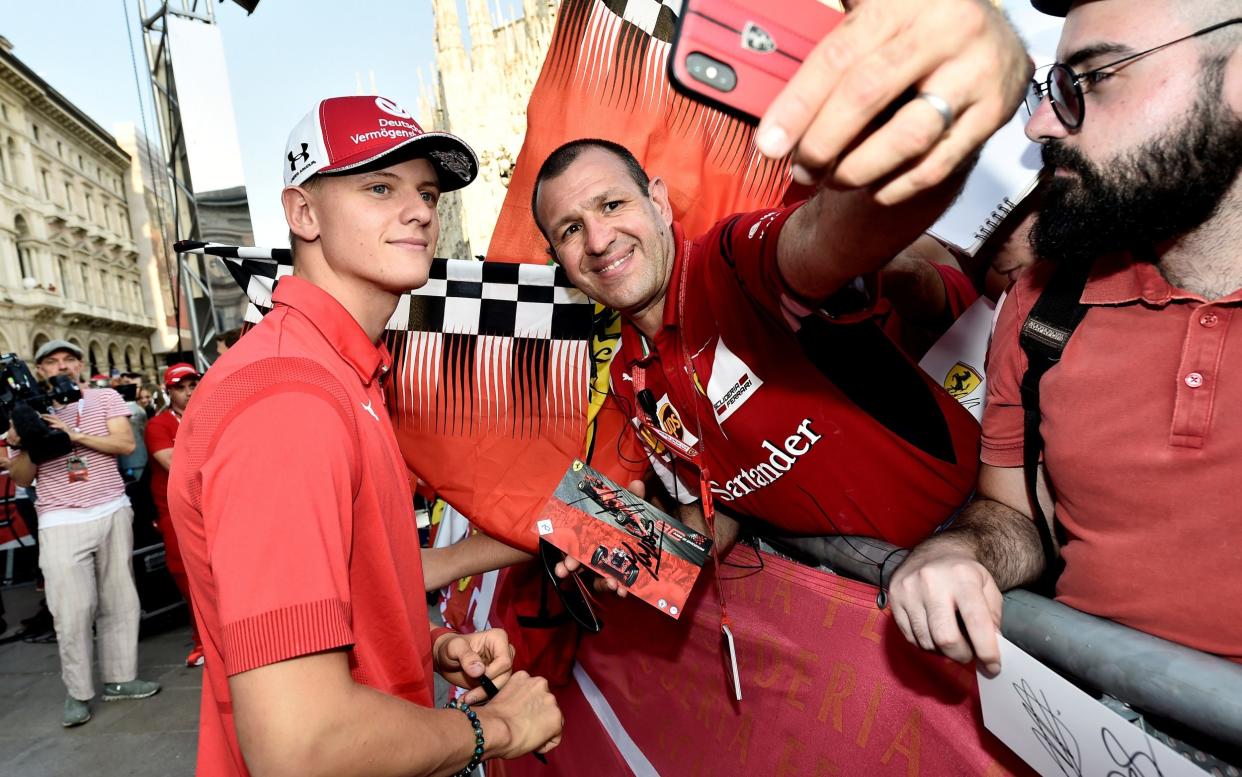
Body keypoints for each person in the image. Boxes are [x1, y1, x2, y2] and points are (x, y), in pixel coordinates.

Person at [168, 95, 563, 777]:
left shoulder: (345, 376)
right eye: (379, 187)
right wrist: (492, 726)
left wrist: (432, 644)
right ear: (303, 214)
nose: (418, 211)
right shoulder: (288, 401)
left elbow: (355, 587)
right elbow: (301, 744)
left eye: (428, 192)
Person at [888, 0, 1242, 672]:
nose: (1042, 122)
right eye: (1056, 89)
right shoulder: (1044, 302)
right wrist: (959, 551)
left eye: (1096, 78)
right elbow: (1013, 516)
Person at [530, 126, 1002, 553]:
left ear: (657, 202)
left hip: (977, 537)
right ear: (559, 260)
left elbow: (816, 237)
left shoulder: (733, 261)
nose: (597, 241)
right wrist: (639, 551)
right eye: (571, 230)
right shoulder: (627, 377)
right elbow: (715, 513)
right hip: (868, 603)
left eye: (612, 205)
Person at [4, 339, 160, 727]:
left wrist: (72, 435)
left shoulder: (104, 399)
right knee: (71, 610)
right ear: (39, 371)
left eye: (69, 360)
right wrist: (19, 443)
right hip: (60, 518)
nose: (62, 367)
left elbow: (125, 443)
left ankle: (121, 679)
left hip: (111, 509)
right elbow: (23, 477)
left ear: (80, 365)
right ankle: (78, 692)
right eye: (52, 362)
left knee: (119, 600)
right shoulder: (23, 414)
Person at [144, 362, 203, 667]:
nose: (189, 392)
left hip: (211, 509)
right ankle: (201, 641)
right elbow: (172, 463)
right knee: (188, 579)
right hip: (177, 514)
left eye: (193, 385)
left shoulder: (209, 415)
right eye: (180, 387)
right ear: (168, 392)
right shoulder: (159, 425)